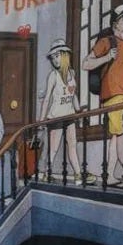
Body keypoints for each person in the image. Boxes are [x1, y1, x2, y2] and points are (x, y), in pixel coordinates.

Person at [84, 3, 123, 190]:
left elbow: (121, 71)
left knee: (116, 138)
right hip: (113, 96)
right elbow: (86, 64)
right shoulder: (107, 42)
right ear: (115, 23)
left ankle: (108, 176)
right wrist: (106, 56)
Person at [38, 39, 83, 183]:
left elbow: (73, 94)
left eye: (57, 55)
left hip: (70, 115)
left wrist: (79, 110)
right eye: (53, 57)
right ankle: (47, 173)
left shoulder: (72, 73)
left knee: (72, 145)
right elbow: (46, 99)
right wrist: (41, 120)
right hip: (56, 117)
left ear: (65, 55)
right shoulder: (53, 76)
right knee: (54, 148)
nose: (55, 60)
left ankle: (78, 174)